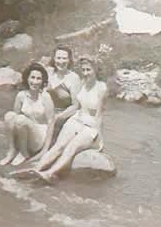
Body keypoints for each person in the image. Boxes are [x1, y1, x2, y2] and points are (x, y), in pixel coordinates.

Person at [33, 55, 108, 183]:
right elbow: (75, 103)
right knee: (59, 146)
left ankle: (49, 173)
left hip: (90, 126)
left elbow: (99, 115)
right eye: (83, 70)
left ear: (95, 69)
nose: (85, 73)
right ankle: (36, 169)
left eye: (88, 70)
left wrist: (100, 139)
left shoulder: (102, 88)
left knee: (71, 148)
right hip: (76, 119)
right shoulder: (82, 82)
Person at [0, 63, 55, 166]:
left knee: (21, 119)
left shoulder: (45, 97)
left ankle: (24, 153)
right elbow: (13, 120)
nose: (35, 82)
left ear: (42, 81)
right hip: (24, 132)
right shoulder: (21, 96)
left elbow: (51, 123)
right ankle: (12, 151)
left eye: (38, 79)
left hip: (39, 137)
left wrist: (45, 150)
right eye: (32, 77)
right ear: (27, 78)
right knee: (9, 115)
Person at [47, 45, 82, 120]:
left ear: (69, 60)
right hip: (47, 115)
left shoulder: (74, 78)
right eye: (58, 58)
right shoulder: (49, 75)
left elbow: (75, 106)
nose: (61, 61)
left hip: (65, 117)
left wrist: (58, 117)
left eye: (64, 58)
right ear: (54, 59)